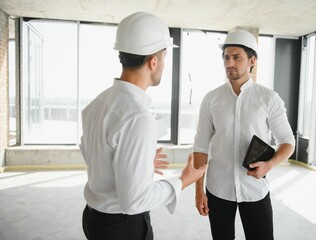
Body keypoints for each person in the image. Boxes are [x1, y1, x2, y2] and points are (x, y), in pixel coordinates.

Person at [80, 12, 207, 240]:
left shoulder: (96, 104)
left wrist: (135, 161)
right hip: (122, 229)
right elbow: (135, 201)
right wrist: (185, 179)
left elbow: (92, 152)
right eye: (164, 58)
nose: (163, 66)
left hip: (94, 220)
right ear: (154, 61)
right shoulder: (138, 117)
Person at [193, 29, 295, 240]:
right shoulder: (211, 99)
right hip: (218, 189)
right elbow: (201, 147)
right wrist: (198, 191)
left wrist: (269, 164)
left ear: (252, 61)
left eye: (236, 57)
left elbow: (288, 142)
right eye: (226, 57)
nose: (229, 63)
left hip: (255, 189)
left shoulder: (269, 98)